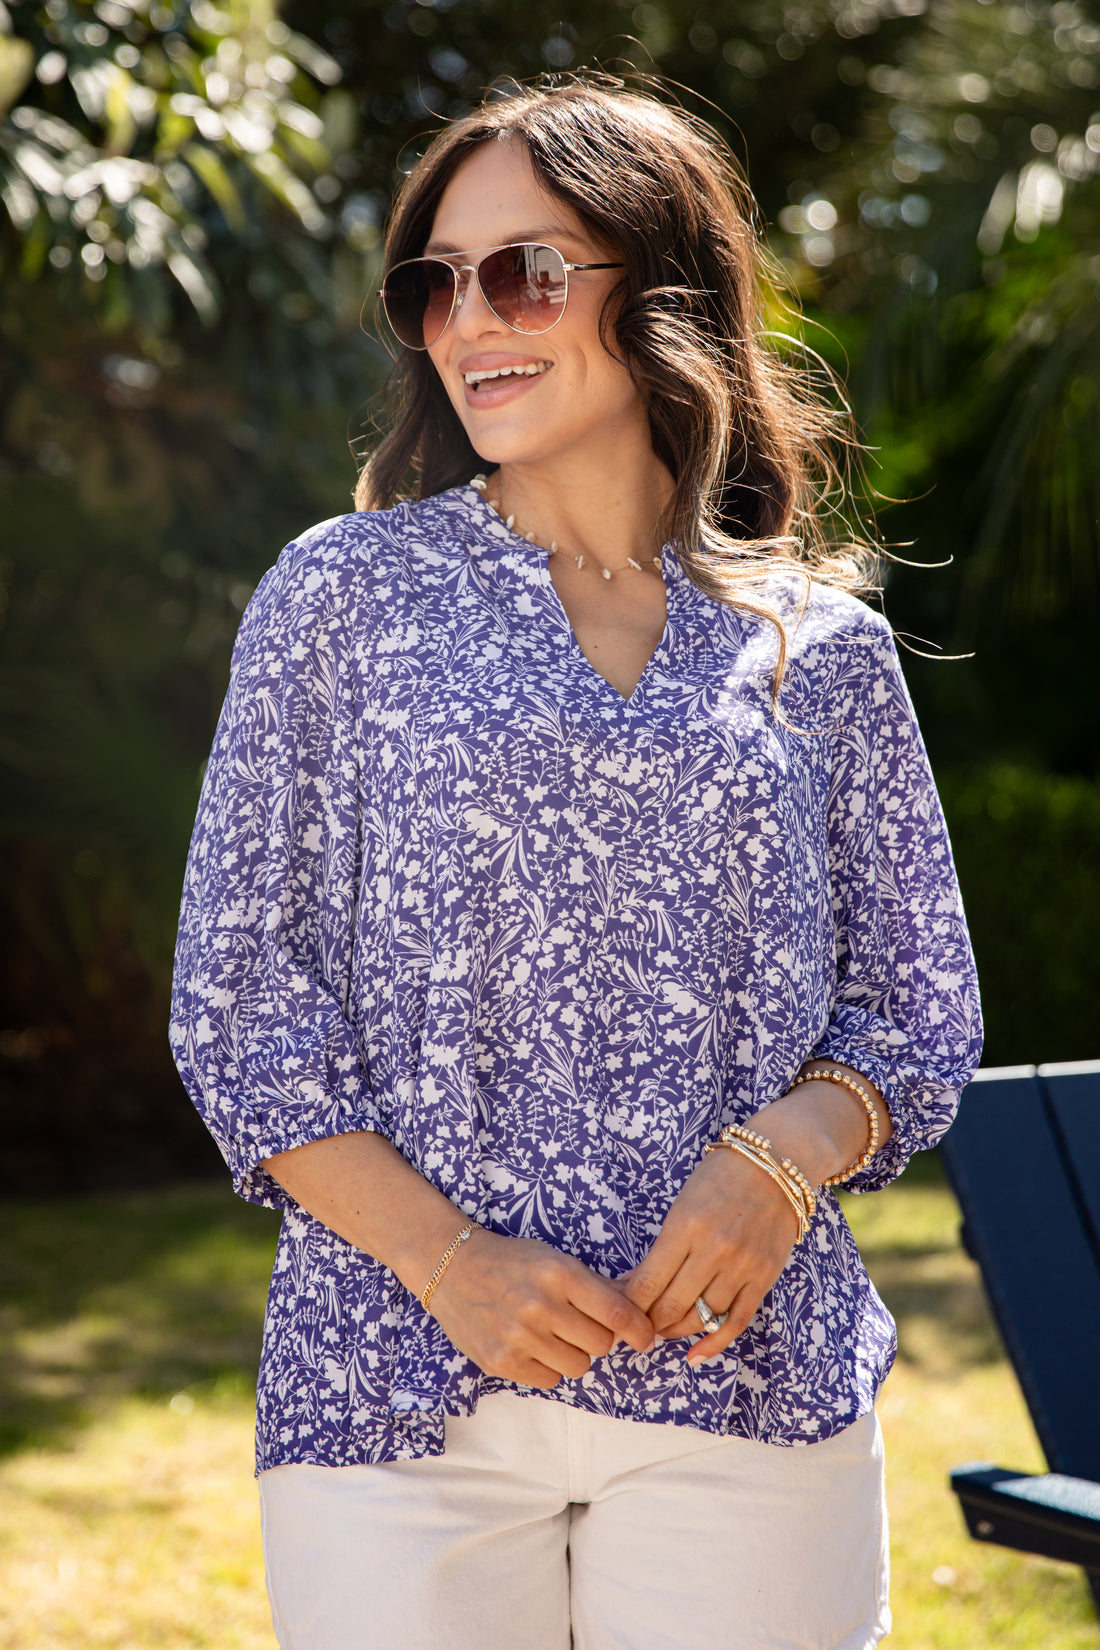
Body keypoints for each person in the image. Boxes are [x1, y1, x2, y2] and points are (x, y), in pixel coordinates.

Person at [170, 75, 982, 1650]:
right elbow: (237, 1007)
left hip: (744, 1387)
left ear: (662, 293)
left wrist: (779, 1163)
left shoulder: (821, 647)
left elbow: (913, 1009)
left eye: (525, 270)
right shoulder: (338, 599)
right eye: (436, 283)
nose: (471, 318)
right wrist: (451, 1261)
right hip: (396, 1389)